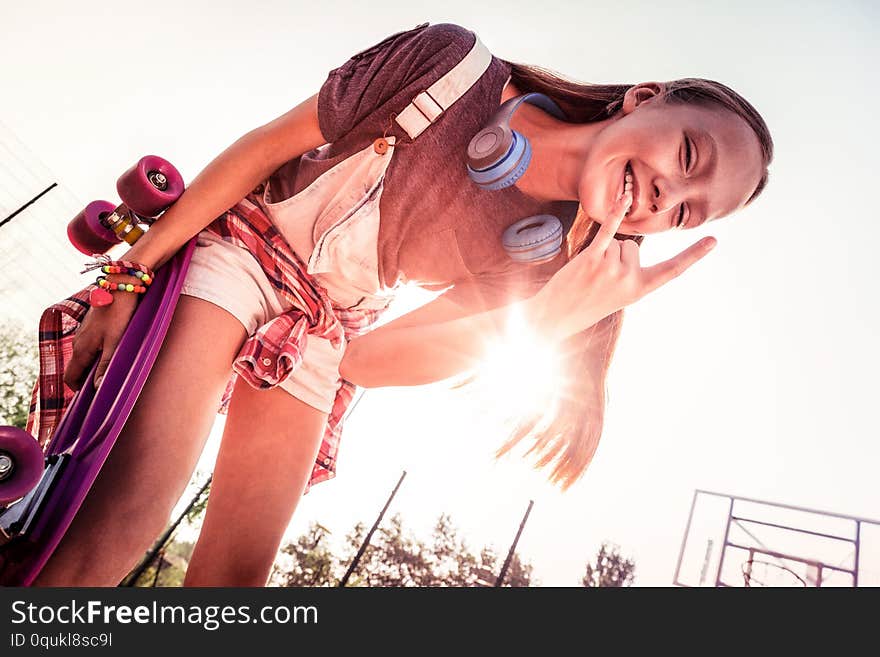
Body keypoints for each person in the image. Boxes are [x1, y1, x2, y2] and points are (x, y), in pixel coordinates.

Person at [34, 22, 772, 586]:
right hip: (244, 246)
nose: (668, 196)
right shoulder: (451, 66)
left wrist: (549, 320)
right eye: (687, 157)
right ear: (643, 99)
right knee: (120, 525)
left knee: (231, 589)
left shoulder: (542, 258)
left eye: (686, 213)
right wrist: (124, 278)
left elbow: (364, 360)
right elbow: (263, 149)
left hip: (323, 330)